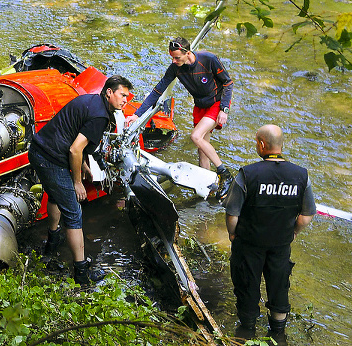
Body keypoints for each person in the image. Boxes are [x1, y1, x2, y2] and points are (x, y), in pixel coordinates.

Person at [28, 75, 133, 285]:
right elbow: (75, 149)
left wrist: (84, 164)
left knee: (56, 197)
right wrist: (77, 182)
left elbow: (74, 134)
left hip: (38, 149)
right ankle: (81, 273)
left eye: (128, 97)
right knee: (74, 212)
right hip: (51, 158)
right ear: (109, 92)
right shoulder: (100, 117)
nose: (125, 101)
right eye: (122, 95)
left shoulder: (92, 101)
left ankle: (52, 241)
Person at [222, 124, 315, 342]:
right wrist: (293, 233)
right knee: (279, 287)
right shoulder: (301, 175)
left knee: (247, 287)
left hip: (249, 243)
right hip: (280, 245)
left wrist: (233, 235)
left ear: (262, 145)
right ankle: (278, 334)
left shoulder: (247, 174)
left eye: (256, 142)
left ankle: (246, 332)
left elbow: (232, 213)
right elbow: (307, 215)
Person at [126, 36, 234, 187]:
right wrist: (136, 115)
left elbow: (228, 83)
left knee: (196, 136)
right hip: (200, 106)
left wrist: (224, 109)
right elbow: (157, 91)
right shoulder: (175, 68)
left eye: (177, 57)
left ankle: (224, 173)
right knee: (202, 149)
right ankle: (209, 185)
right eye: (172, 58)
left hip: (216, 103)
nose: (173, 61)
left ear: (188, 53)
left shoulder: (208, 59)